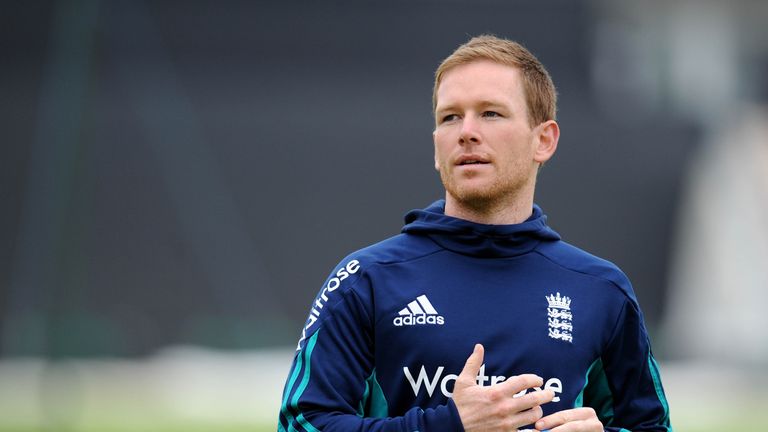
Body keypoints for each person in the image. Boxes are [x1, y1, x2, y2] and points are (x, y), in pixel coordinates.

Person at [278, 35, 672, 432]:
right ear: (436, 147)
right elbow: (301, 425)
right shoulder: (366, 280)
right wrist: (448, 425)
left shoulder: (601, 290)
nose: (466, 131)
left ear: (544, 140)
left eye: (490, 114)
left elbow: (651, 426)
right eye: (450, 117)